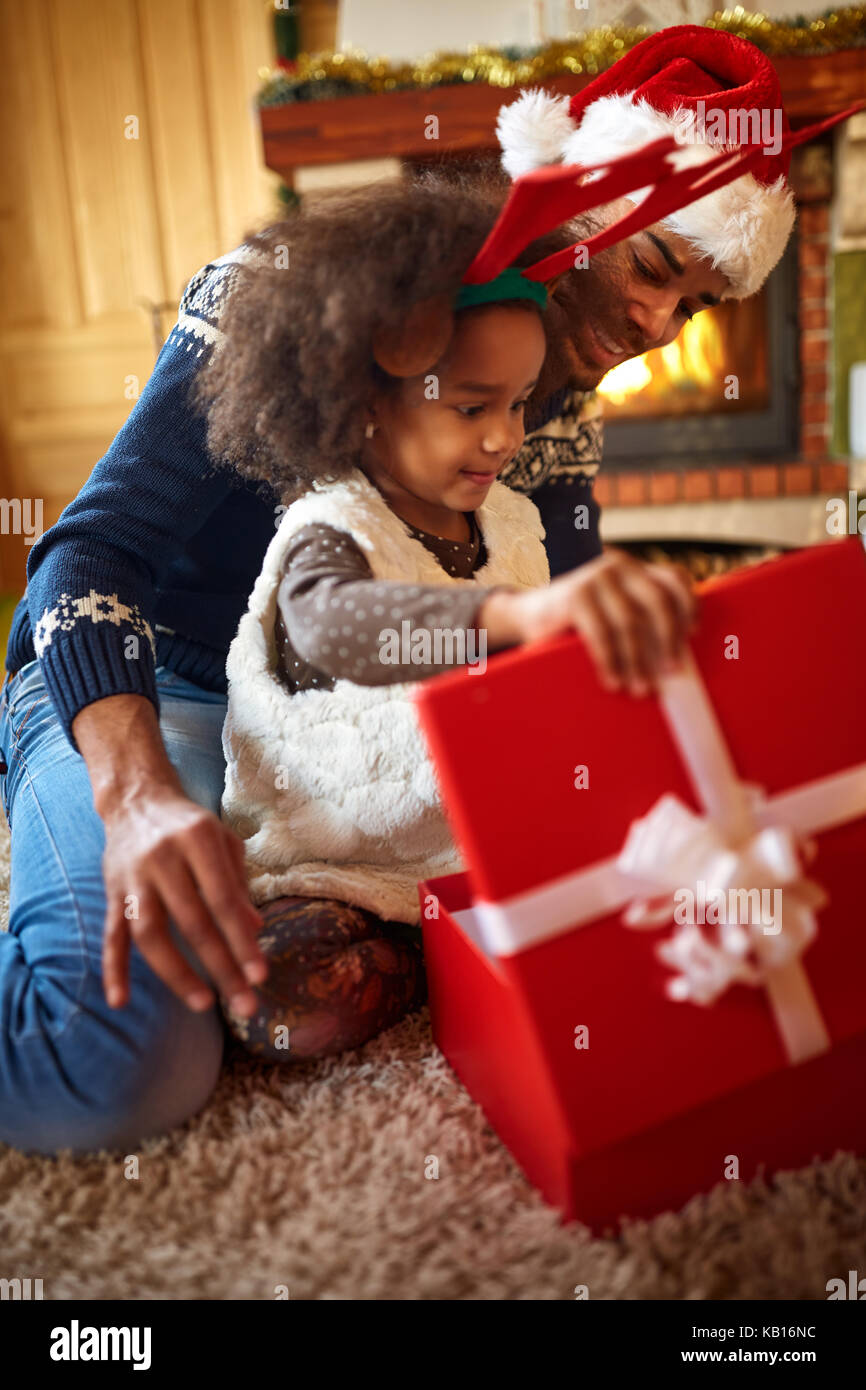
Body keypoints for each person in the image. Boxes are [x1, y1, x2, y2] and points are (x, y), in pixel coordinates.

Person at [0, 26, 805, 1153]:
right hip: (160, 690)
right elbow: (82, 560)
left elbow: (546, 666)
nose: (659, 326)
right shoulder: (271, 299)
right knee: (119, 1065)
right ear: (570, 200)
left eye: (699, 305)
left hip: (351, 744)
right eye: (655, 267)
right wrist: (136, 794)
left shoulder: (550, 415)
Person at [191, 177, 697, 1060]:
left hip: (474, 842)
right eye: (472, 407)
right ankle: (439, 953)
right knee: (277, 996)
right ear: (367, 401)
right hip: (335, 855)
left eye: (518, 402)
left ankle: (468, 933)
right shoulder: (332, 523)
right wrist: (519, 615)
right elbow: (335, 628)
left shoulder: (511, 521)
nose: (505, 437)